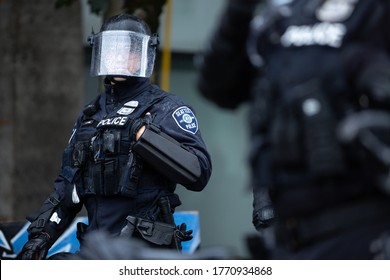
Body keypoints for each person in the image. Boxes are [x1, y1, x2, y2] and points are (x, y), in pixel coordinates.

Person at [196, 0, 390, 259]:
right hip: (286, 235)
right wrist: (238, 12)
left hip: (363, 233)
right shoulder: (278, 20)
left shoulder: (374, 14)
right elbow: (219, 88)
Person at [19, 13, 212, 260]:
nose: (120, 56)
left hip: (144, 253)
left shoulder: (165, 107)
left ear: (144, 54)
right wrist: (41, 236)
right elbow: (68, 186)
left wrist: (143, 136)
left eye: (130, 49)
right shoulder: (91, 113)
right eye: (113, 48)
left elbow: (199, 173)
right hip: (96, 250)